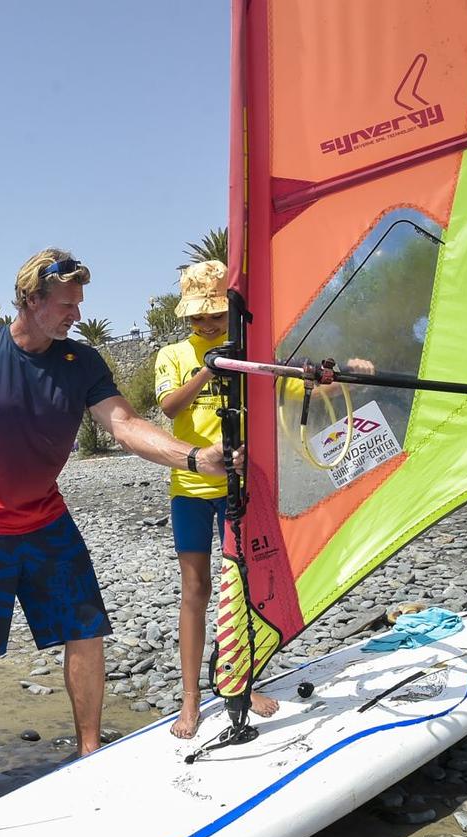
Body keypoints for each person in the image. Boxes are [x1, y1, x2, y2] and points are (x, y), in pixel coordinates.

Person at [0, 248, 235, 807]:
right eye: (66, 305)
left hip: (46, 518)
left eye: (79, 304)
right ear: (31, 301)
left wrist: (192, 458)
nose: (76, 315)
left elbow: (126, 425)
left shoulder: (80, 363)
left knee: (86, 632)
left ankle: (89, 749)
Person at [153, 260, 282, 738]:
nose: (207, 326)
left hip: (239, 489)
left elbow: (272, 406)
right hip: (189, 491)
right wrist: (209, 370)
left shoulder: (249, 351)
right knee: (197, 592)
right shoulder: (173, 354)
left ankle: (243, 684)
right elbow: (168, 407)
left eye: (216, 317)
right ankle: (190, 701)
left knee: (242, 589)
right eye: (199, 319)